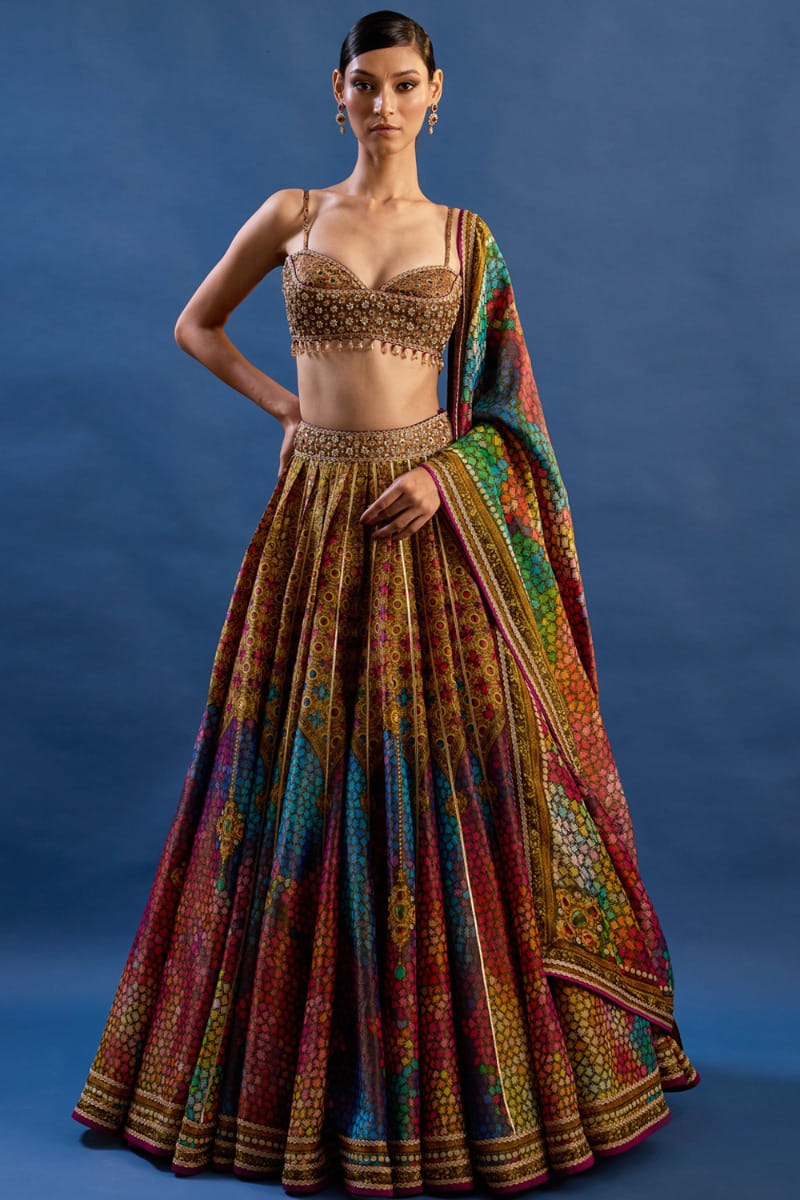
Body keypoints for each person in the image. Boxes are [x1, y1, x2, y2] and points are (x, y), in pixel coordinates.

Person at [71, 9, 699, 1196]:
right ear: (337, 92)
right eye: (364, 84)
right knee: (288, 780)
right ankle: (276, 1082)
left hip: (425, 520)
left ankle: (468, 1084)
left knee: (441, 784)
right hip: (314, 520)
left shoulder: (465, 238)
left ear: (435, 93)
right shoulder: (293, 214)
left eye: (403, 84)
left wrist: (443, 475)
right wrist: (286, 410)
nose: (383, 104)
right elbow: (195, 325)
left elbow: (510, 416)